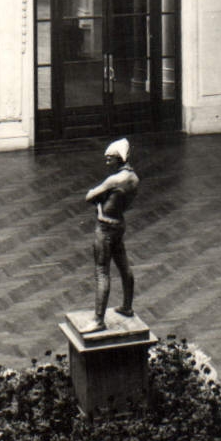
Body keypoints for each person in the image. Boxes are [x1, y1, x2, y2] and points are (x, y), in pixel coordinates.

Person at [84, 137, 139, 332]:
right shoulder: (133, 178)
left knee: (102, 272)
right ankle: (127, 307)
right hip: (119, 224)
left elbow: (89, 196)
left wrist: (98, 199)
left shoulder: (114, 179)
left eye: (110, 159)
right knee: (124, 266)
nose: (107, 162)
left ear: (119, 159)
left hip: (105, 227)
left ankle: (98, 320)